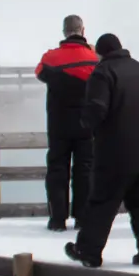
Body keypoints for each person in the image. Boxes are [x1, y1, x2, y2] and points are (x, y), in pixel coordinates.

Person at [65, 33, 139, 269]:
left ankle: (88, 252)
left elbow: (96, 109)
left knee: (102, 205)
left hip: (117, 156)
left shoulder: (103, 72)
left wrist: (84, 123)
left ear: (101, 53)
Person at [35, 15, 99, 232]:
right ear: (82, 30)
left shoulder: (50, 58)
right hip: (86, 124)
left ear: (64, 32)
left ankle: (57, 219)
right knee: (84, 171)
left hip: (58, 123)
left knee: (57, 170)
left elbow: (39, 73)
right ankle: (82, 218)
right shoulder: (94, 59)